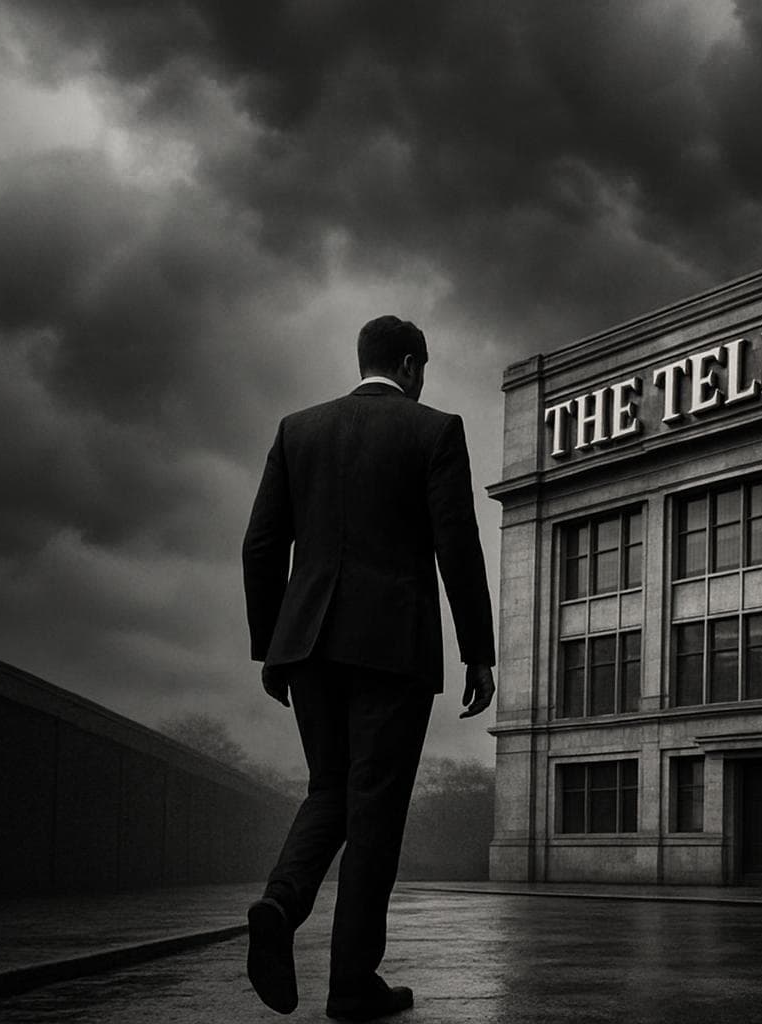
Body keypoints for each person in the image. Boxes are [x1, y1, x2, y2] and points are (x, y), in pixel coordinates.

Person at [241, 315, 496, 1020]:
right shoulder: (434, 431)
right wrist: (479, 649)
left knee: (329, 789)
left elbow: (261, 546)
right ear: (411, 365)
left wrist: (272, 645)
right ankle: (352, 984)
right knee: (374, 813)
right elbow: (458, 548)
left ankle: (280, 902)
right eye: (424, 370)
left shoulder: (298, 430)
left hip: (307, 645)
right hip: (391, 649)